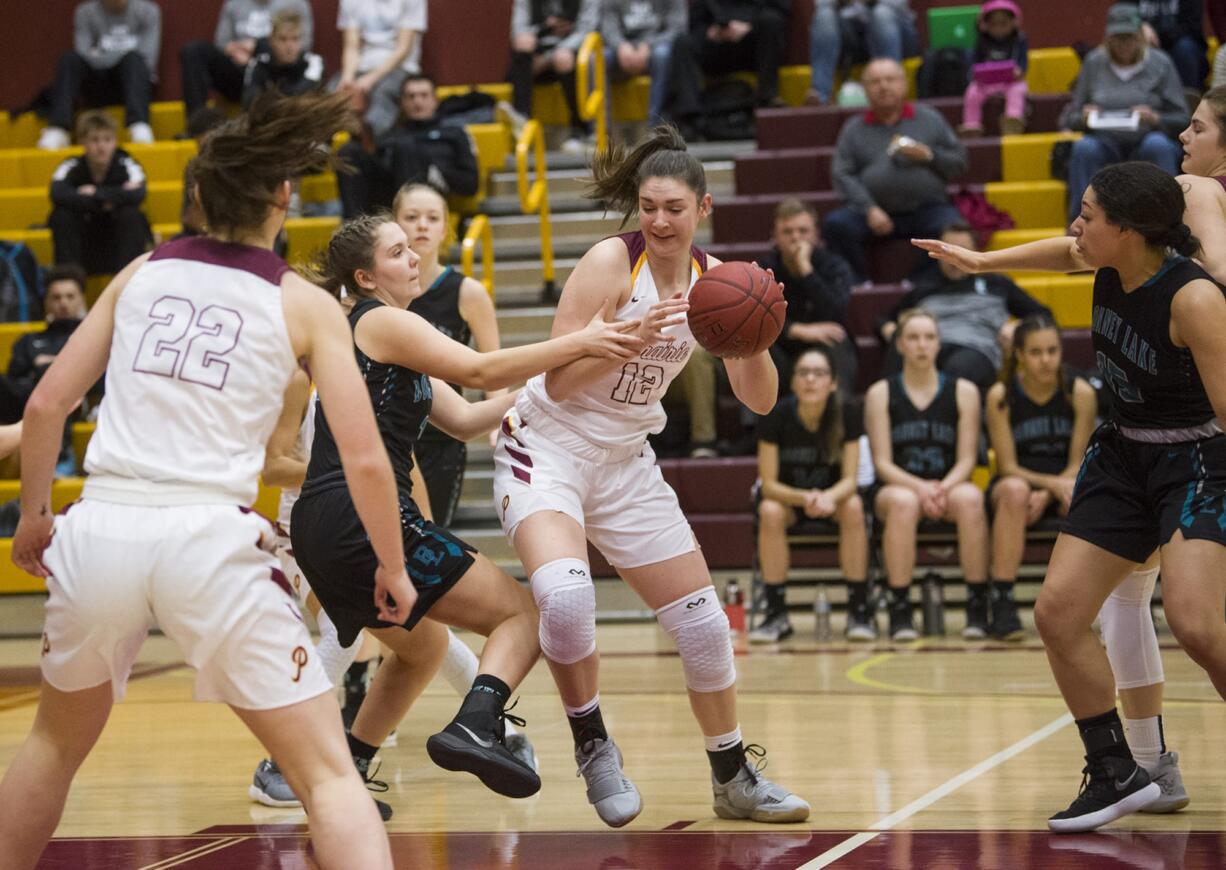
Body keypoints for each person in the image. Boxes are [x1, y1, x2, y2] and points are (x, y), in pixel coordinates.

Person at [0, 91, 405, 870]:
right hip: (208, 541)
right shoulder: (305, 303)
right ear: (283, 198)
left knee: (51, 745)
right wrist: (389, 565)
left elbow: (49, 401)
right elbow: (361, 459)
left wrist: (33, 519)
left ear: (196, 197)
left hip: (102, 528)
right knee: (326, 775)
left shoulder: (139, 272)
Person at [492, 125, 809, 827]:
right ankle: (592, 744)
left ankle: (732, 776)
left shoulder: (716, 282)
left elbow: (760, 400)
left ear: (703, 209)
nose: (659, 221)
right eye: (648, 206)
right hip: (549, 446)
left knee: (703, 627)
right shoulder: (612, 263)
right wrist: (627, 341)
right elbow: (559, 379)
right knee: (567, 602)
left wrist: (755, 335)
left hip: (626, 462)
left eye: (674, 208)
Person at [913, 160, 1226, 833]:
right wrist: (979, 261)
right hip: (1122, 452)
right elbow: (1063, 251)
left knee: (1198, 626)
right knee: (1057, 613)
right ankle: (1116, 771)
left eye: (1089, 215)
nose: (1076, 226)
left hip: (1194, 458)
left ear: (1132, 230)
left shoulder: (1193, 299)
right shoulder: (1108, 261)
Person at [289, 212, 643, 806]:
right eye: (397, 252)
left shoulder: (382, 333)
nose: (413, 257)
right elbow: (479, 368)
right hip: (361, 516)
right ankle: (478, 723)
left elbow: (468, 419)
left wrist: (570, 377)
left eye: (411, 248)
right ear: (366, 276)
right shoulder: (379, 323)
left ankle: (346, 777)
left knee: (422, 649)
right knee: (528, 615)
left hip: (324, 521)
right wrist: (581, 340)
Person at [247, 370, 538, 808]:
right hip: (301, 531)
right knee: (344, 638)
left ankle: (492, 729)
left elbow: (406, 464)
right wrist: (342, 471)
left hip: (369, 521)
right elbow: (272, 468)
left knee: (427, 638)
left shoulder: (375, 375)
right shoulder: (297, 380)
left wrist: (422, 528)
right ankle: (280, 763)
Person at [864, 309, 989, 641]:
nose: (922, 345)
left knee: (972, 498)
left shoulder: (964, 391)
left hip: (948, 485)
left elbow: (966, 460)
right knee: (903, 502)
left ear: (939, 344)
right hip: (897, 487)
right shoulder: (880, 393)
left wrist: (940, 488)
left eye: (929, 337)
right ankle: (900, 607)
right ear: (900, 345)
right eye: (914, 338)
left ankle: (978, 604)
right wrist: (922, 489)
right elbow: (882, 464)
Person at [395, 182, 504, 526]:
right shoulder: (380, 292)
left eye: (432, 218)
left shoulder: (467, 292)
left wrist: (497, 426)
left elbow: (493, 365)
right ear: (394, 226)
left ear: (446, 229)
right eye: (411, 217)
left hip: (442, 436)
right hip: (390, 432)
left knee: (430, 534)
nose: (422, 225)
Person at [984, 314, 1096, 641]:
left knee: (1083, 492)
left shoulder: (1080, 392)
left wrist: (1049, 492)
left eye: (1052, 351)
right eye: (1036, 353)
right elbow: (1006, 466)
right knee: (1015, 491)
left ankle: (1091, 604)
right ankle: (1002, 600)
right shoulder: (1000, 396)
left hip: (1065, 482)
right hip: (1018, 483)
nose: (1046, 360)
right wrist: (1048, 486)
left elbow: (1078, 462)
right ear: (1019, 354)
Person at [751, 347, 871, 642]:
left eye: (819, 373)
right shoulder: (776, 415)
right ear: (792, 382)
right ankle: (776, 613)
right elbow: (768, 484)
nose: (810, 380)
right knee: (769, 510)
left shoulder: (848, 412)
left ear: (833, 383)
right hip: (790, 501)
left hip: (834, 499)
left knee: (854, 506)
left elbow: (851, 481)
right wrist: (807, 499)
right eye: (803, 373)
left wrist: (829, 497)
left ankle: (859, 610)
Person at [823, 58, 968, 284]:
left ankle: (919, 283)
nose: (883, 86)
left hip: (926, 208)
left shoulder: (930, 118)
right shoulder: (853, 129)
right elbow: (842, 174)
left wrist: (930, 156)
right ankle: (859, 283)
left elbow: (959, 161)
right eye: (875, 81)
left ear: (904, 84)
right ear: (866, 90)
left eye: (890, 79)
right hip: (873, 212)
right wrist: (869, 208)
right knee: (836, 226)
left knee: (950, 227)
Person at [877, 221, 1051, 393]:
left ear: (975, 253)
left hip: (975, 349)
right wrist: (890, 330)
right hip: (929, 347)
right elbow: (882, 319)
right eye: (946, 250)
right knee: (900, 350)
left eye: (961, 250)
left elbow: (1043, 315)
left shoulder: (997, 283)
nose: (953, 258)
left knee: (958, 370)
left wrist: (1018, 327)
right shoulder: (925, 287)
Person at [1059, 3, 1188, 225]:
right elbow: (1070, 118)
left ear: (1140, 35)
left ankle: (1173, 222)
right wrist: (1084, 117)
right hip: (1105, 140)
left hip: (1146, 137)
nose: (1123, 44)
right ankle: (1079, 224)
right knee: (1084, 148)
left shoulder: (1160, 62)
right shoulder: (1093, 63)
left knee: (1158, 145)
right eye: (1117, 38)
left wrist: (1156, 119)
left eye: (1129, 37)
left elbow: (1182, 118)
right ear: (1108, 38)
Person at [336, 74, 480, 219]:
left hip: (432, 195)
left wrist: (434, 171)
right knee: (349, 152)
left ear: (435, 100)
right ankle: (353, 228)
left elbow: (470, 185)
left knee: (406, 147)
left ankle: (407, 219)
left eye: (424, 95)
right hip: (388, 195)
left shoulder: (454, 134)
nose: (417, 101)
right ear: (402, 102)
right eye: (411, 96)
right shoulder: (390, 136)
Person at [759, 198, 857, 395]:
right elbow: (756, 319)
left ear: (816, 235)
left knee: (838, 342)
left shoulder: (834, 266)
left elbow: (836, 311)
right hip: (783, 346)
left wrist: (806, 271)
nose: (796, 238)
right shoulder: (763, 271)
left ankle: (839, 416)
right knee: (757, 348)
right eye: (787, 232)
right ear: (775, 237)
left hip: (823, 344)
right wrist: (795, 330)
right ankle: (756, 426)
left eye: (803, 231)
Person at [37, 0, 161, 150]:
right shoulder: (85, 12)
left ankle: (139, 126)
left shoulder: (149, 11)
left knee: (134, 60)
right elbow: (82, 53)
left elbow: (147, 60)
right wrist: (118, 56)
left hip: (131, 86)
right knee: (69, 59)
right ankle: (58, 128)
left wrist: (100, 54)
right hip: (95, 87)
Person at [663, 0, 789, 137]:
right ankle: (690, 118)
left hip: (752, 40)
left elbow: (781, 7)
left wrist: (749, 24)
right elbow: (695, 17)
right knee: (682, 43)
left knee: (771, 21)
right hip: (717, 41)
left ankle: (767, 101)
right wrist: (708, 31)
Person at [48, 111, 151, 277]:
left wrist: (95, 193)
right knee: (61, 216)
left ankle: (127, 281)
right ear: (83, 142)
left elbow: (139, 193)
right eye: (95, 140)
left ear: (115, 142)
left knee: (131, 215)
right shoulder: (71, 165)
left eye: (107, 140)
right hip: (84, 242)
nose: (101, 146)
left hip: (117, 242)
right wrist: (112, 199)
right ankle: (70, 281)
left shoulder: (126, 162)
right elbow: (57, 194)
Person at [181, 0, 314, 117]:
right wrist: (240, 52)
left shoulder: (296, 3)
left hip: (275, 72)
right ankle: (197, 123)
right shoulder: (233, 4)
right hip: (240, 69)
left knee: (269, 68)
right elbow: (221, 43)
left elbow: (301, 46)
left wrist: (257, 48)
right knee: (193, 50)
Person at [0, 267, 91, 426]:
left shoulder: (92, 337)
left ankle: (62, 451)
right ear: (46, 302)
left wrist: (44, 367)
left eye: (70, 296)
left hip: (72, 401)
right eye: (56, 297)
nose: (63, 303)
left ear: (81, 300)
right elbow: (13, 381)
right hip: (27, 401)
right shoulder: (28, 341)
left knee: (55, 395)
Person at [509, 0, 599, 153]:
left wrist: (549, 58)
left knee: (563, 59)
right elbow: (517, 31)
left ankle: (580, 131)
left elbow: (588, 30)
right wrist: (544, 28)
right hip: (536, 56)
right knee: (523, 43)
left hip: (570, 54)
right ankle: (521, 119)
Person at [336, 0, 428, 139]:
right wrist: (347, 78)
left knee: (384, 92)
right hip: (362, 67)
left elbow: (403, 49)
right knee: (332, 91)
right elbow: (351, 46)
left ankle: (368, 142)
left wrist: (370, 79)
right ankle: (322, 147)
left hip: (401, 67)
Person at [807, 0, 917, 107]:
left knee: (882, 14)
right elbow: (822, 4)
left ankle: (892, 91)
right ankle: (820, 97)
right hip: (849, 32)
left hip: (894, 28)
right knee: (824, 16)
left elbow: (898, 4)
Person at [600, 0, 688, 128]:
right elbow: (608, 28)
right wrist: (621, 46)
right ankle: (600, 129)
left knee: (662, 55)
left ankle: (655, 124)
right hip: (622, 47)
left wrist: (648, 44)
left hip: (657, 45)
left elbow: (678, 29)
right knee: (598, 59)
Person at [959, 0, 1029, 137]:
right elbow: (974, 63)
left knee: (1018, 89)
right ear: (986, 25)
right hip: (986, 83)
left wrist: (1019, 71)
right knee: (972, 92)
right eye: (993, 24)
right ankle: (971, 125)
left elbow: (1023, 63)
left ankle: (1012, 120)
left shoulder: (1019, 39)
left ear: (1013, 23)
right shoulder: (982, 40)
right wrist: (976, 74)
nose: (998, 29)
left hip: (1010, 82)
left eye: (1003, 24)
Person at [240, 8, 325, 108]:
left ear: (302, 41)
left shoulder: (314, 63)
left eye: (295, 39)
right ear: (271, 41)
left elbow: (301, 97)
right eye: (283, 39)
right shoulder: (259, 63)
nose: (289, 46)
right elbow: (249, 102)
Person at [1138, 0, 1208, 90]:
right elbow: (1122, 13)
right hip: (1146, 45)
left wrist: (1158, 35)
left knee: (1185, 48)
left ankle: (1188, 98)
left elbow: (1193, 28)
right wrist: (1139, 26)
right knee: (1136, 46)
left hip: (1181, 47)